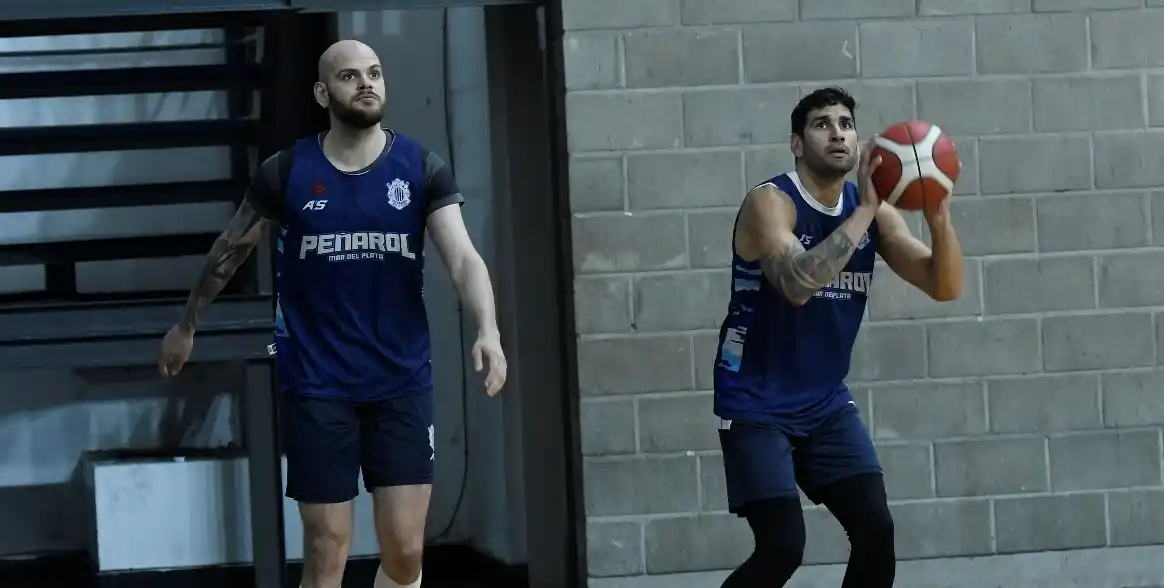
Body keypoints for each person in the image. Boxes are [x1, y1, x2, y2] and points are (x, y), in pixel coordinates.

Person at [156, 39, 507, 588]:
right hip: (318, 384)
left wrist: (488, 329)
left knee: (406, 550)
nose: (366, 83)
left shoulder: (419, 167)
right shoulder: (287, 172)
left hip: (400, 381)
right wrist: (187, 324)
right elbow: (230, 249)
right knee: (326, 550)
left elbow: (464, 259)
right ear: (323, 92)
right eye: (349, 76)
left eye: (374, 73)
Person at [713, 86, 964, 587]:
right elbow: (796, 285)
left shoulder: (872, 212)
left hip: (824, 403)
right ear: (797, 143)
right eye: (822, 124)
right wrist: (867, 210)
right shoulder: (771, 202)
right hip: (755, 402)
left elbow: (945, 285)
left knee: (876, 529)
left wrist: (939, 217)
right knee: (783, 547)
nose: (838, 133)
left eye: (846, 124)